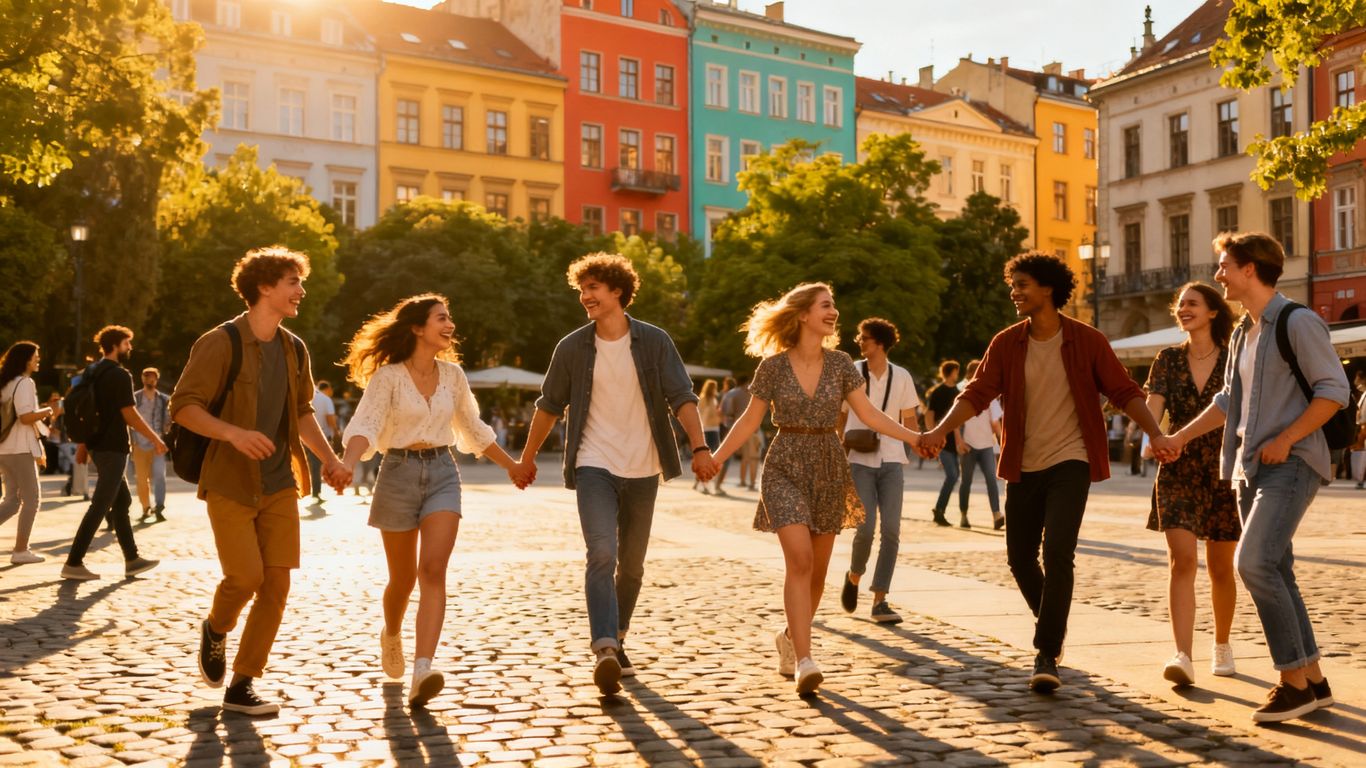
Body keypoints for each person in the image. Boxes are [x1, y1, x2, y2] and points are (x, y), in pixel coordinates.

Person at [919, 252, 1175, 694]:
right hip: (1022, 463)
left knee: (1058, 551)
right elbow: (977, 393)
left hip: (1071, 460)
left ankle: (1045, 651)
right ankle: (1053, 623)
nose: (1014, 292)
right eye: (1012, 285)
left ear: (1048, 289)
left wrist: (1156, 434)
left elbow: (1124, 391)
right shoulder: (1006, 343)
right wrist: (940, 430)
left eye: (1022, 285)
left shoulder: (1087, 340)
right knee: (1019, 557)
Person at [1165, 232, 1349, 723]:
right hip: (1249, 466)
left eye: (1225, 265)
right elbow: (1228, 403)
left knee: (1254, 564)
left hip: (1289, 463)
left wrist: (1288, 438)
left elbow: (1335, 390)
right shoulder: (1248, 332)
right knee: (1277, 570)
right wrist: (1180, 438)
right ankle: (1312, 678)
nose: (1219, 273)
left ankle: (1291, 684)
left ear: (1250, 269)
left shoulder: (1298, 321)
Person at [519, 252, 715, 696]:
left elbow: (682, 397)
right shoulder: (571, 348)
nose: (585, 297)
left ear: (618, 292)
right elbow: (549, 406)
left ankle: (619, 635)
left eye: (593, 289)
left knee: (632, 566)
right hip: (594, 463)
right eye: (581, 290)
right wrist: (526, 458)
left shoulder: (654, 341)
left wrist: (701, 447)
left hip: (644, 465)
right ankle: (605, 646)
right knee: (602, 553)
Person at [711, 283, 923, 696]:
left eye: (834, 306)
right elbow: (749, 422)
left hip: (828, 465)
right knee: (800, 560)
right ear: (804, 314)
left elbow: (869, 415)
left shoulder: (842, 363)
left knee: (819, 573)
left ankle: (791, 639)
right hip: (785, 464)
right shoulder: (771, 367)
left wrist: (917, 437)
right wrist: (715, 458)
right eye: (826, 306)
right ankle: (806, 661)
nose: (834, 313)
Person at [170, 246, 349, 716]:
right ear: (264, 287)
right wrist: (232, 432)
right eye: (292, 282)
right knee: (245, 577)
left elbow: (302, 412)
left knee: (276, 585)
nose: (300, 291)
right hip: (229, 479)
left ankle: (243, 683)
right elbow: (184, 406)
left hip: (279, 483)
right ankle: (216, 625)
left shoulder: (295, 348)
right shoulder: (220, 342)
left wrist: (329, 459)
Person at [339, 294, 533, 707]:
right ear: (417, 328)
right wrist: (347, 462)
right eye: (441, 318)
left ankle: (422, 668)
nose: (450, 325)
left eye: (450, 317)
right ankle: (392, 633)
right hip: (397, 473)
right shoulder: (389, 377)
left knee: (432, 571)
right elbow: (367, 423)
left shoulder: (454, 376)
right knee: (402, 580)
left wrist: (512, 465)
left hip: (443, 472)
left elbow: (472, 427)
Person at [1143, 283, 1242, 688]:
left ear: (1214, 312)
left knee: (1221, 567)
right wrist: (1154, 438)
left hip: (1223, 468)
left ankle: (1221, 644)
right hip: (1179, 466)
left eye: (1192, 303)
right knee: (1181, 561)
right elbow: (1154, 408)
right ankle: (1182, 653)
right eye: (1180, 303)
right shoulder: (1167, 359)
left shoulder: (1234, 356)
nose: (1183, 309)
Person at [62, 326, 166, 581]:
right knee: (100, 505)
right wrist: (155, 439)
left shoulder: (92, 371)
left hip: (98, 445)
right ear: (117, 345)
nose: (130, 348)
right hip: (113, 447)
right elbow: (128, 413)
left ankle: (132, 560)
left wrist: (86, 444)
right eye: (127, 343)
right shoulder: (120, 375)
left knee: (121, 502)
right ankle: (73, 562)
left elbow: (88, 409)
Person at [837, 317, 921, 625]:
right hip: (859, 459)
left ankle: (880, 599)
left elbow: (910, 420)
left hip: (892, 460)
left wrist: (927, 442)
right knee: (865, 527)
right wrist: (837, 449)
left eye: (865, 338)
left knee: (891, 531)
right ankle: (854, 575)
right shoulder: (852, 373)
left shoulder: (902, 376)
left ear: (880, 343)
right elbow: (841, 417)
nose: (860, 342)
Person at [0, 342, 54, 564]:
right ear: (25, 360)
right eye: (35, 356)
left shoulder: (6, 383)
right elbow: (25, 417)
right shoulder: (25, 383)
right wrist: (47, 410)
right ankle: (21, 550)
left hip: (4, 448)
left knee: (12, 500)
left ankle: (21, 550)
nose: (38, 359)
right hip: (19, 449)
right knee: (32, 500)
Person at [957, 359, 1003, 530]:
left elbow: (995, 424)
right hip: (968, 445)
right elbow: (954, 422)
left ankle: (996, 514)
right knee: (966, 481)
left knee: (992, 480)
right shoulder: (963, 393)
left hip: (986, 446)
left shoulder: (991, 397)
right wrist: (959, 441)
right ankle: (963, 515)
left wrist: (1002, 443)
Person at [130, 367, 171, 523]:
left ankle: (159, 507)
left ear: (157, 379)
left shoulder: (163, 399)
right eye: (148, 377)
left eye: (153, 377)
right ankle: (146, 507)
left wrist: (166, 430)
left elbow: (169, 419)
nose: (151, 380)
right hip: (140, 443)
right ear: (143, 378)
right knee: (141, 479)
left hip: (158, 444)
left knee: (160, 476)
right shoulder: (135, 398)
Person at [925, 361, 962, 527]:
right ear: (952, 372)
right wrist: (932, 434)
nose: (957, 374)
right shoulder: (938, 392)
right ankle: (939, 510)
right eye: (956, 371)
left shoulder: (957, 392)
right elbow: (929, 414)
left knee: (954, 476)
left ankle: (939, 509)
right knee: (953, 475)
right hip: (942, 441)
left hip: (954, 441)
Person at [307, 380, 339, 502]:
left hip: (306, 435)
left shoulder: (311, 397)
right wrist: (336, 432)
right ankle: (316, 492)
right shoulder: (326, 400)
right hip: (323, 435)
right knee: (318, 465)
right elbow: (330, 419)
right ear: (328, 389)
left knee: (312, 465)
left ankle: (313, 490)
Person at [695, 379, 722, 494]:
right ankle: (703, 483)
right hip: (709, 430)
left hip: (713, 429)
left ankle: (699, 483)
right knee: (710, 458)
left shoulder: (710, 399)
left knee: (710, 457)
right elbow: (703, 415)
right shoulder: (706, 399)